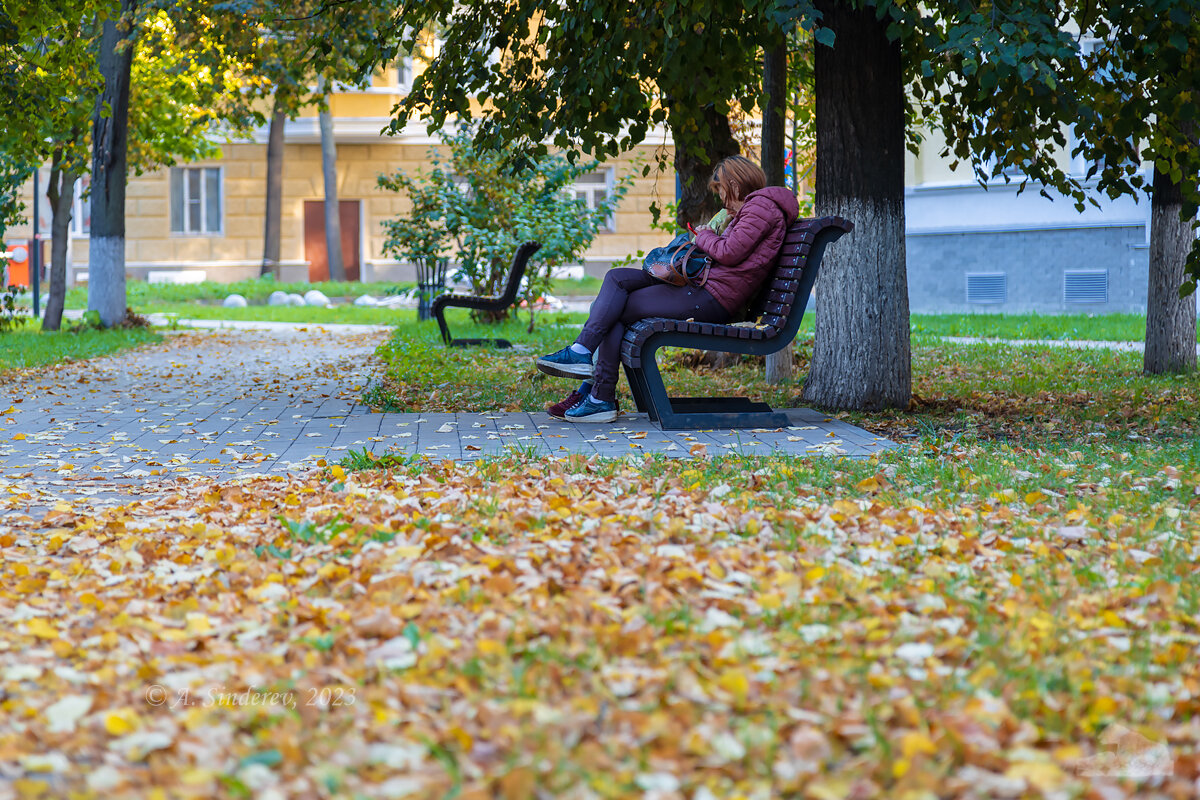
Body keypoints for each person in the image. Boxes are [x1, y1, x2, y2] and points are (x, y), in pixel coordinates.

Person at [537, 155, 799, 422]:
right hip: (702, 283)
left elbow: (729, 253)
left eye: (720, 190)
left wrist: (705, 233)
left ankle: (596, 392)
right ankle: (588, 373)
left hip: (711, 296)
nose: (721, 199)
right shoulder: (754, 209)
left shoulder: (761, 209)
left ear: (733, 184)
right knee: (617, 278)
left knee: (613, 310)